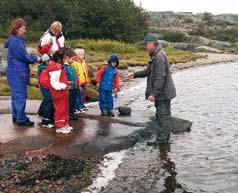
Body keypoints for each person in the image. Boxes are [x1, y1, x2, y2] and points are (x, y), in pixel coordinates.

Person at [128, 34, 176, 146]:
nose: (145, 47)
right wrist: (134, 74)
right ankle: (164, 140)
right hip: (164, 92)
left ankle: (161, 141)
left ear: (152, 43)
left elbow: (160, 78)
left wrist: (154, 94)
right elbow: (147, 71)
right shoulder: (156, 55)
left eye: (146, 44)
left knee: (162, 117)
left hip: (163, 93)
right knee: (164, 116)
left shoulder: (159, 57)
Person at [4, 18, 41, 126]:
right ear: (17, 29)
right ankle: (21, 119)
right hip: (17, 73)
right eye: (23, 28)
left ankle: (16, 116)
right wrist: (36, 59)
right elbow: (23, 56)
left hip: (15, 72)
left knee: (16, 95)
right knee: (20, 95)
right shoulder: (16, 41)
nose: (24, 30)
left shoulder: (14, 40)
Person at [47, 49, 73, 134]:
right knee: (60, 109)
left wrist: (66, 83)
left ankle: (64, 123)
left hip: (63, 92)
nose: (65, 59)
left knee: (65, 108)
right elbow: (53, 82)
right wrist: (64, 85)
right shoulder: (56, 68)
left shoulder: (59, 67)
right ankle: (60, 126)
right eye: (64, 58)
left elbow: (59, 80)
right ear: (59, 58)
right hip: (59, 93)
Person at [37, 54, 54, 128]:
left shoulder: (43, 68)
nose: (51, 61)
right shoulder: (45, 70)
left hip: (44, 88)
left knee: (46, 100)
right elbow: (44, 82)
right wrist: (51, 87)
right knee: (48, 101)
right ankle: (46, 120)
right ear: (46, 61)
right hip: (46, 88)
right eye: (50, 60)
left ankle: (40, 113)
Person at [72, 47, 90, 112]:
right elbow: (75, 74)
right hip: (78, 82)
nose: (83, 56)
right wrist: (77, 82)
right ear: (76, 56)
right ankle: (77, 107)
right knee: (78, 95)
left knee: (83, 95)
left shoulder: (83, 62)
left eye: (83, 54)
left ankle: (82, 105)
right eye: (81, 55)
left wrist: (87, 80)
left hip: (84, 81)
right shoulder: (74, 63)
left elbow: (85, 71)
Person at [63, 49, 79, 120]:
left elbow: (75, 76)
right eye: (72, 59)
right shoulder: (64, 67)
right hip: (69, 88)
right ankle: (68, 113)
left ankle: (72, 112)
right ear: (67, 58)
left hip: (74, 87)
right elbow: (64, 78)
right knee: (69, 101)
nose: (73, 61)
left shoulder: (72, 66)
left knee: (73, 101)